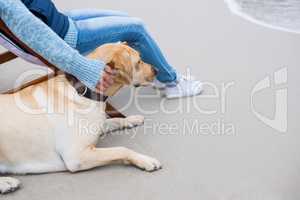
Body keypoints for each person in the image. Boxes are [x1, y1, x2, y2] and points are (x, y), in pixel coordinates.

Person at [0, 0, 203, 99]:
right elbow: (36, 35)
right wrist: (82, 67)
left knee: (124, 17)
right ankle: (171, 83)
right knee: (136, 27)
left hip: (60, 19)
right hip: (63, 36)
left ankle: (152, 72)